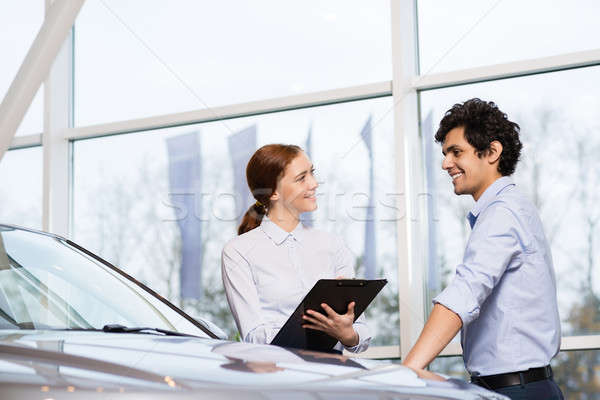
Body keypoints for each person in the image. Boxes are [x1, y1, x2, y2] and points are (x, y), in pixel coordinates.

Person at [402, 99, 563, 399]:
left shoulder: (503, 212)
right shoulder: (505, 209)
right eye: (445, 153)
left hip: (518, 390)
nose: (445, 163)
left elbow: (464, 292)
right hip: (509, 387)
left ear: (492, 152)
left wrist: (406, 371)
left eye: (456, 152)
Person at [221, 144, 370, 353]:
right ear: (272, 192)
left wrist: (348, 335)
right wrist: (308, 331)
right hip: (279, 375)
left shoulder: (333, 245)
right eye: (302, 178)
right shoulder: (238, 251)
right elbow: (253, 335)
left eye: (312, 173)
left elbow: (360, 332)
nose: (314, 184)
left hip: (334, 373)